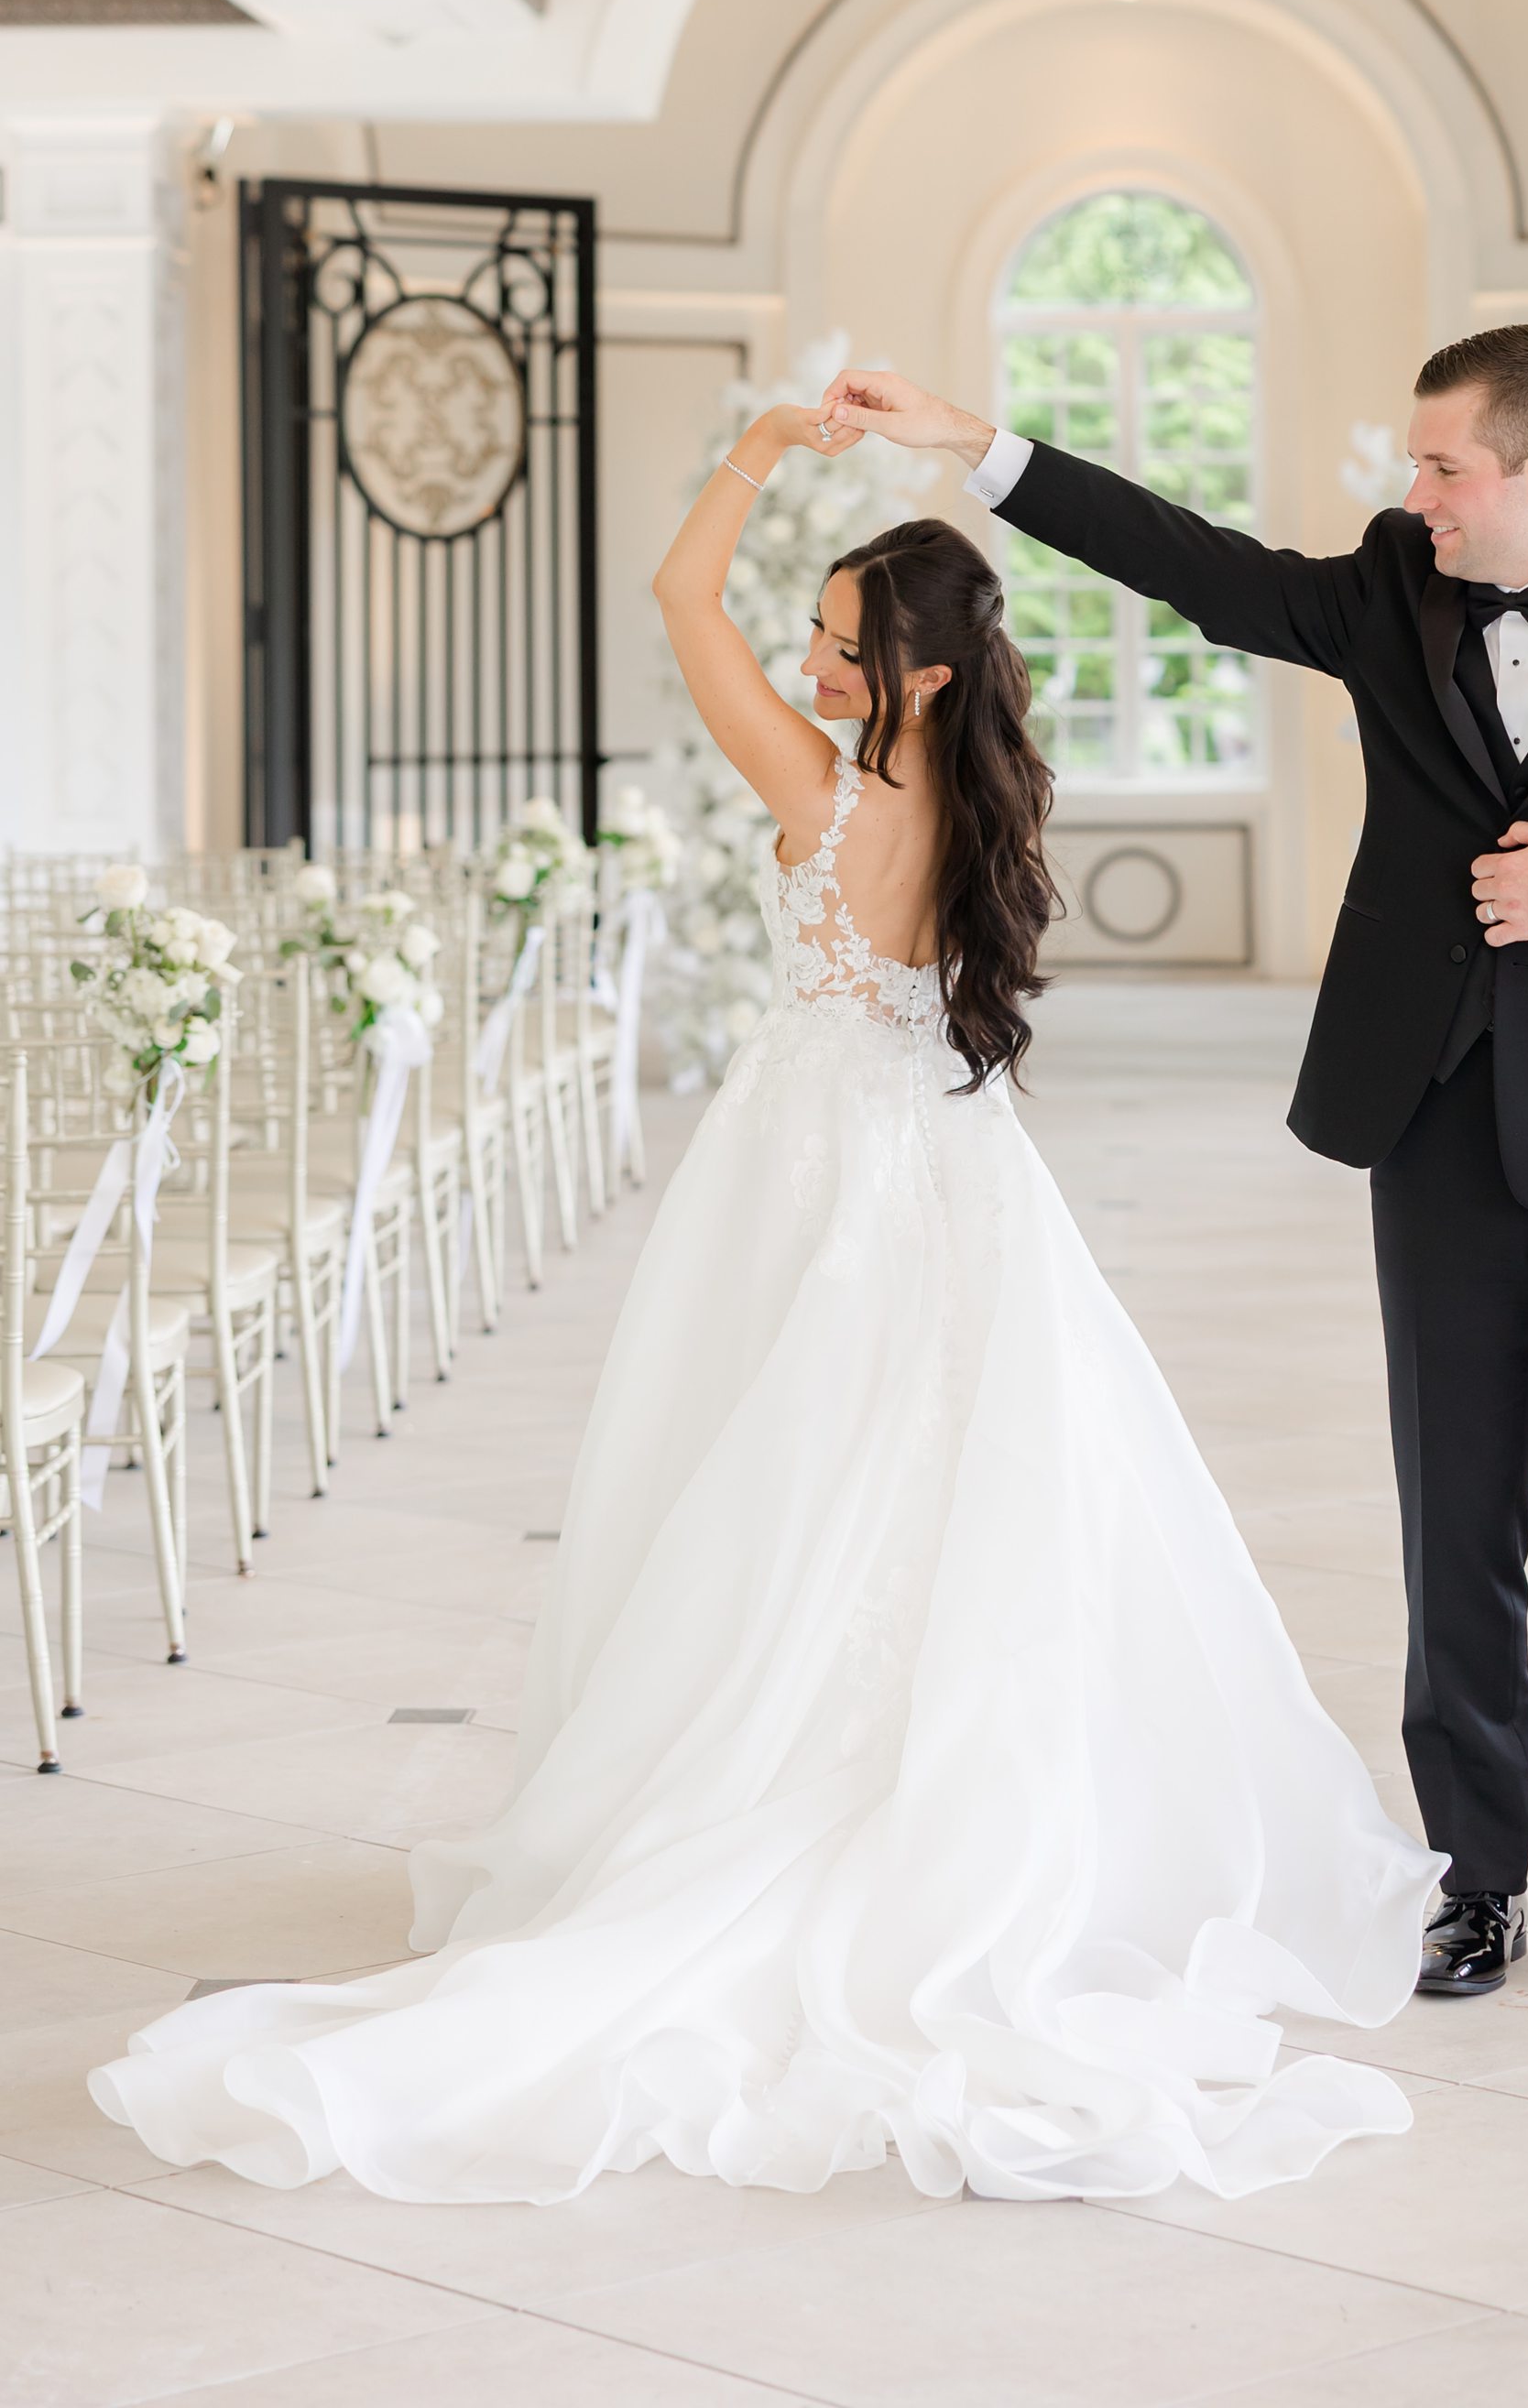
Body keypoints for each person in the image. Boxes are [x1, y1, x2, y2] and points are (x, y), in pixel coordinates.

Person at [91, 400, 1436, 2205]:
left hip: (816, 1167)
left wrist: (754, 446)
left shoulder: (833, 788)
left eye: (843, 639)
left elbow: (672, 592)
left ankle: (772, 1804)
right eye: (809, 630)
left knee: (778, 1483)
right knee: (947, 1490)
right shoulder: (974, 801)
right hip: (945, 1166)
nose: (808, 659)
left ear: (928, 674)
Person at [822, 327, 1528, 2005]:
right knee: (1459, 1534)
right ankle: (1475, 1884)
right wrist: (975, 447)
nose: (1413, 494)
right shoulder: (1393, 591)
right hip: (1432, 1125)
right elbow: (1198, 570)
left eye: (1443, 468)